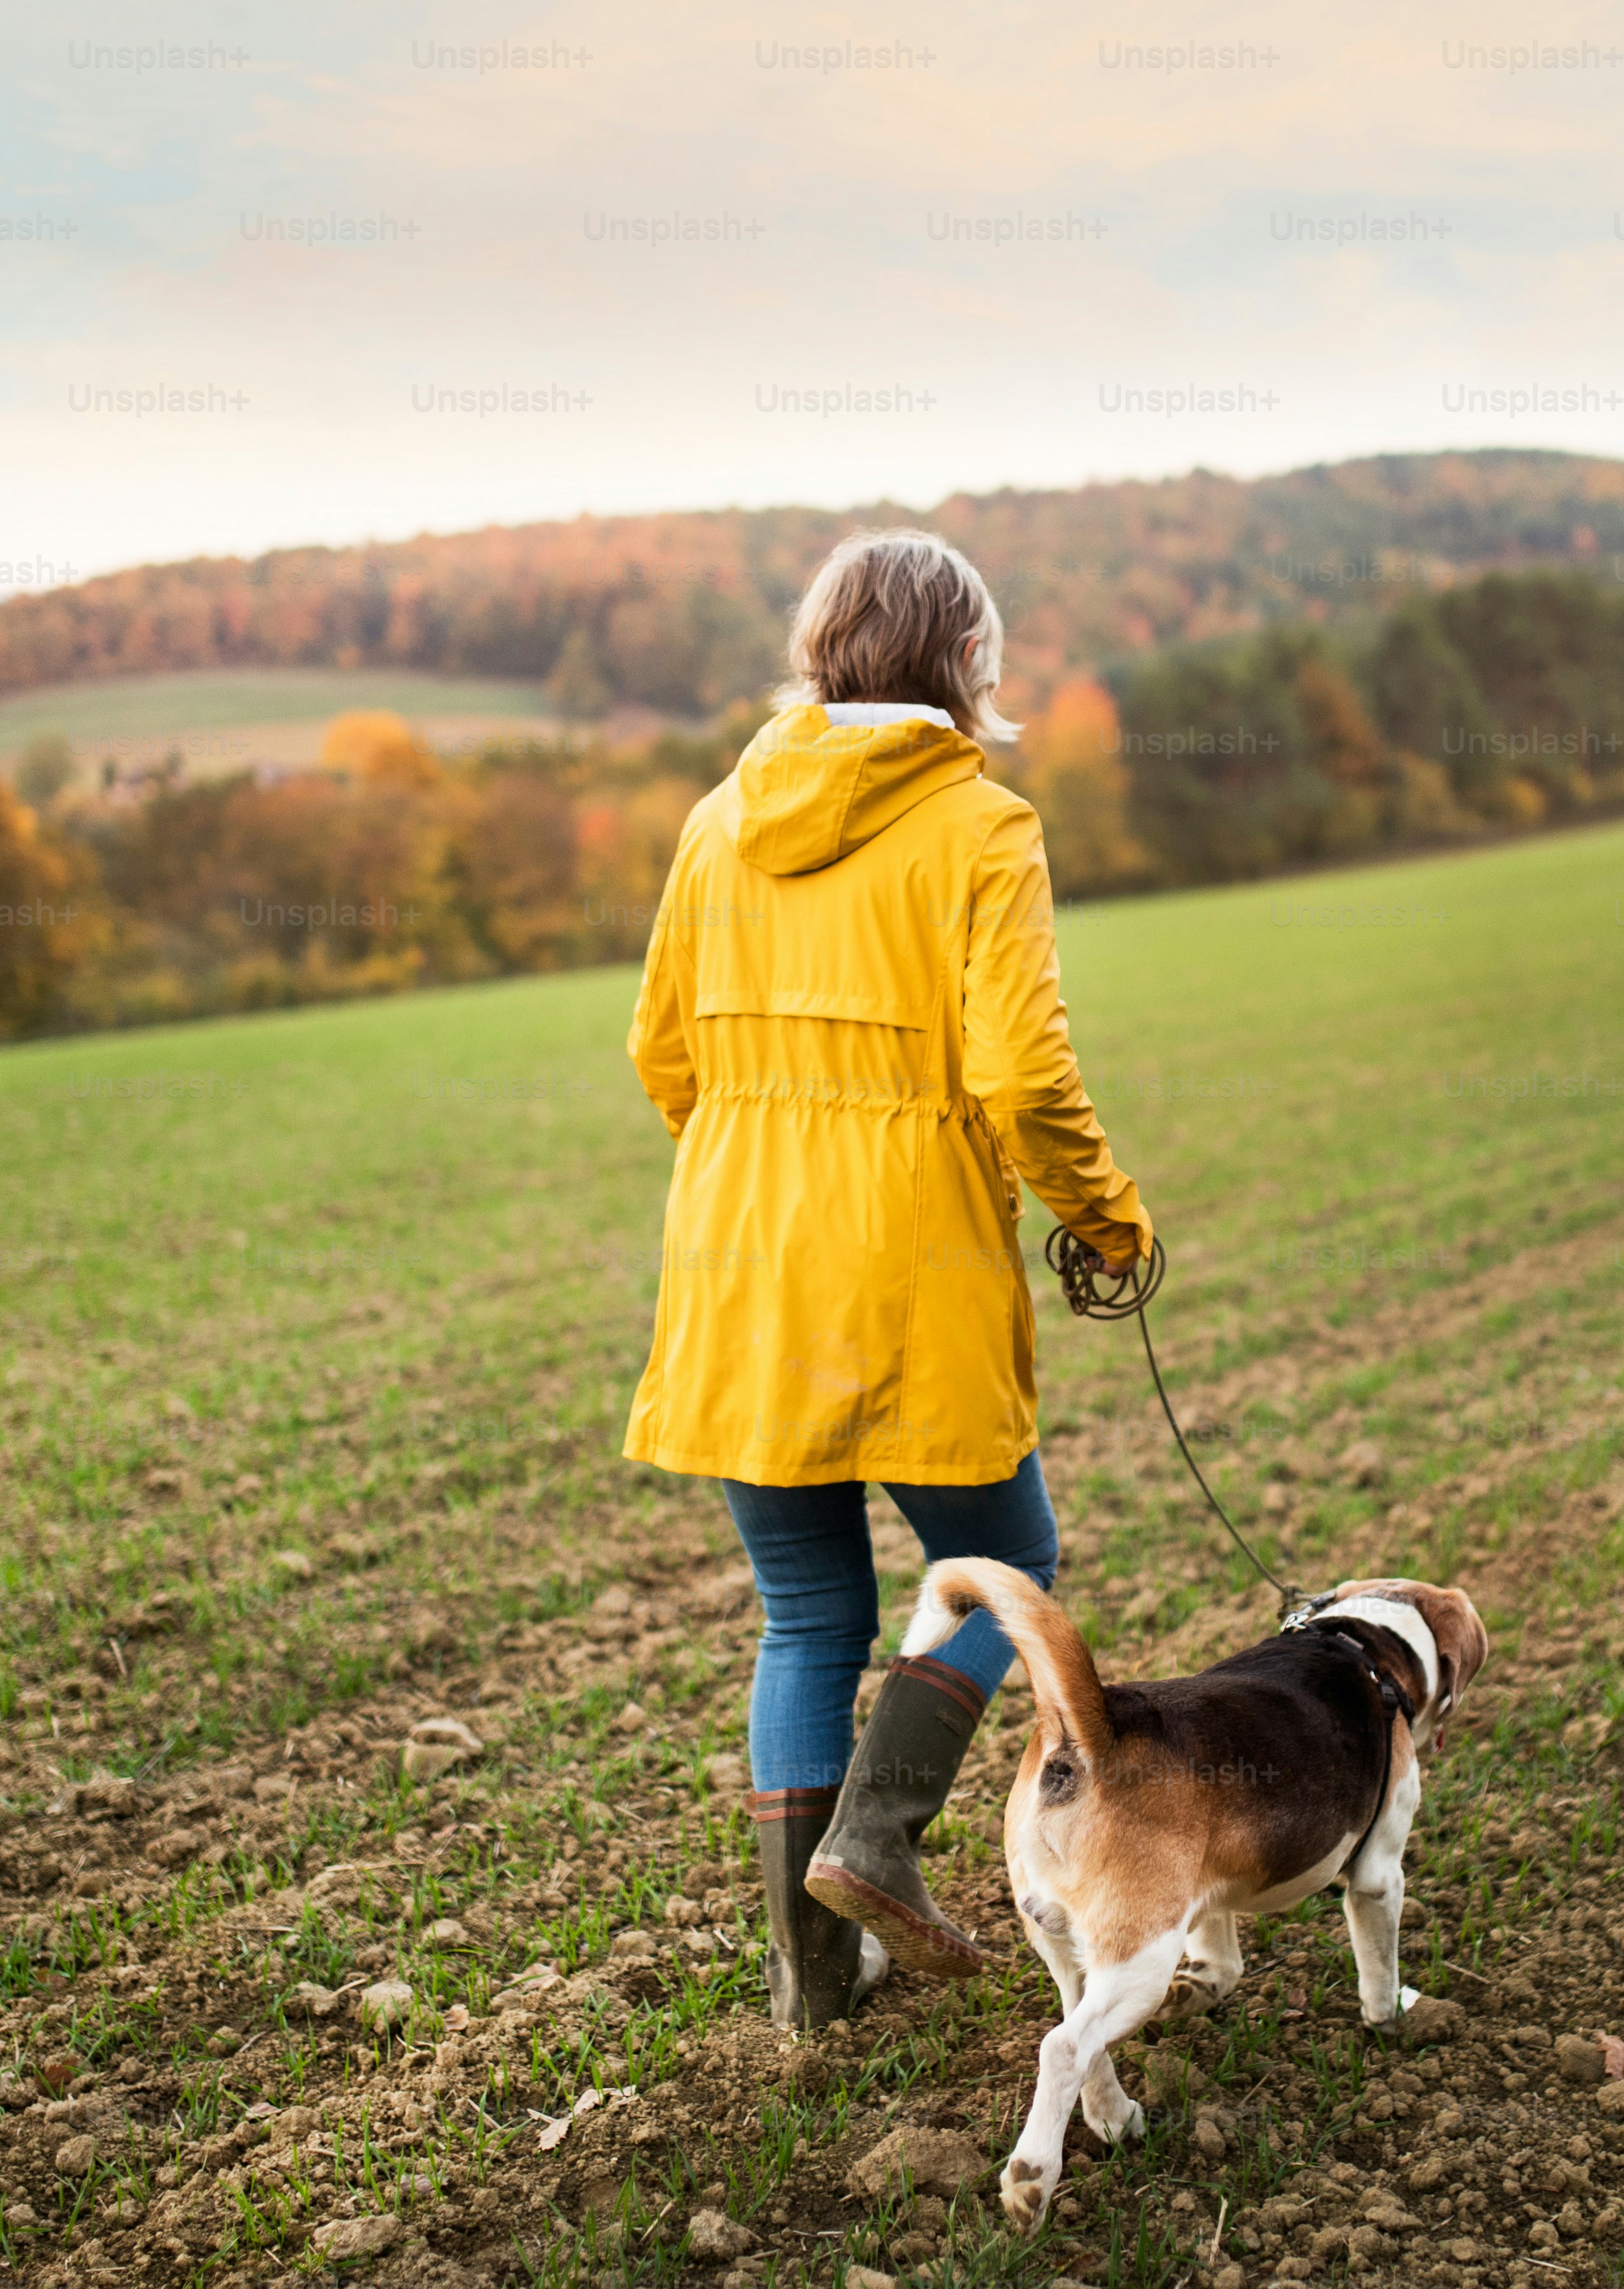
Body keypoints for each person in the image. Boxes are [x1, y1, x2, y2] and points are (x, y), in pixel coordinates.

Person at [620, 529, 1156, 2028]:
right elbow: (1024, 1074)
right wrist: (1106, 1218)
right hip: (910, 1258)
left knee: (807, 1618)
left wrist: (760, 1166)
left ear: (824, 649)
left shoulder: (719, 818)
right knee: (1012, 1569)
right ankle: (876, 1838)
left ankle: (810, 1977)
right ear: (965, 664)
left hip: (738, 1267)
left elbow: (663, 1053)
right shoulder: (983, 829)